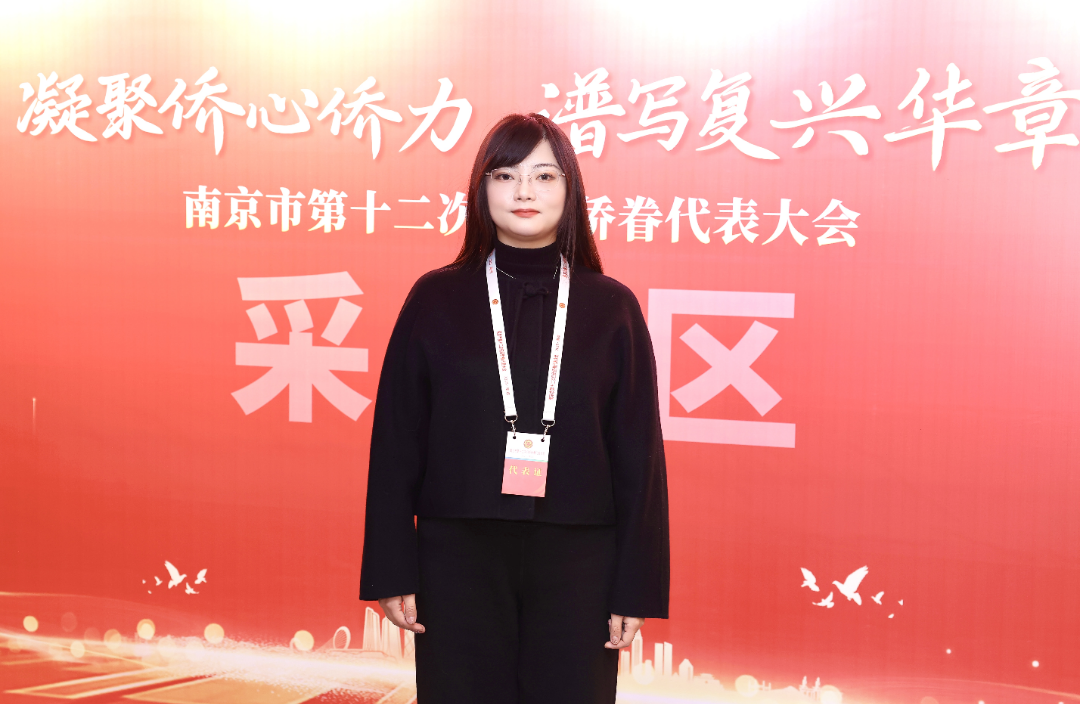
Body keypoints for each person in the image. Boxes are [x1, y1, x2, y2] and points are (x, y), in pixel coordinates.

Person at [359, 113, 669, 703]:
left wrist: (636, 587)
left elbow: (639, 459)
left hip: (580, 563)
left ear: (570, 190)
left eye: (544, 176)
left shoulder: (612, 308)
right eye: (506, 175)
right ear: (482, 189)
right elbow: (397, 442)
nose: (524, 191)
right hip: (457, 556)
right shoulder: (436, 297)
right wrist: (391, 567)